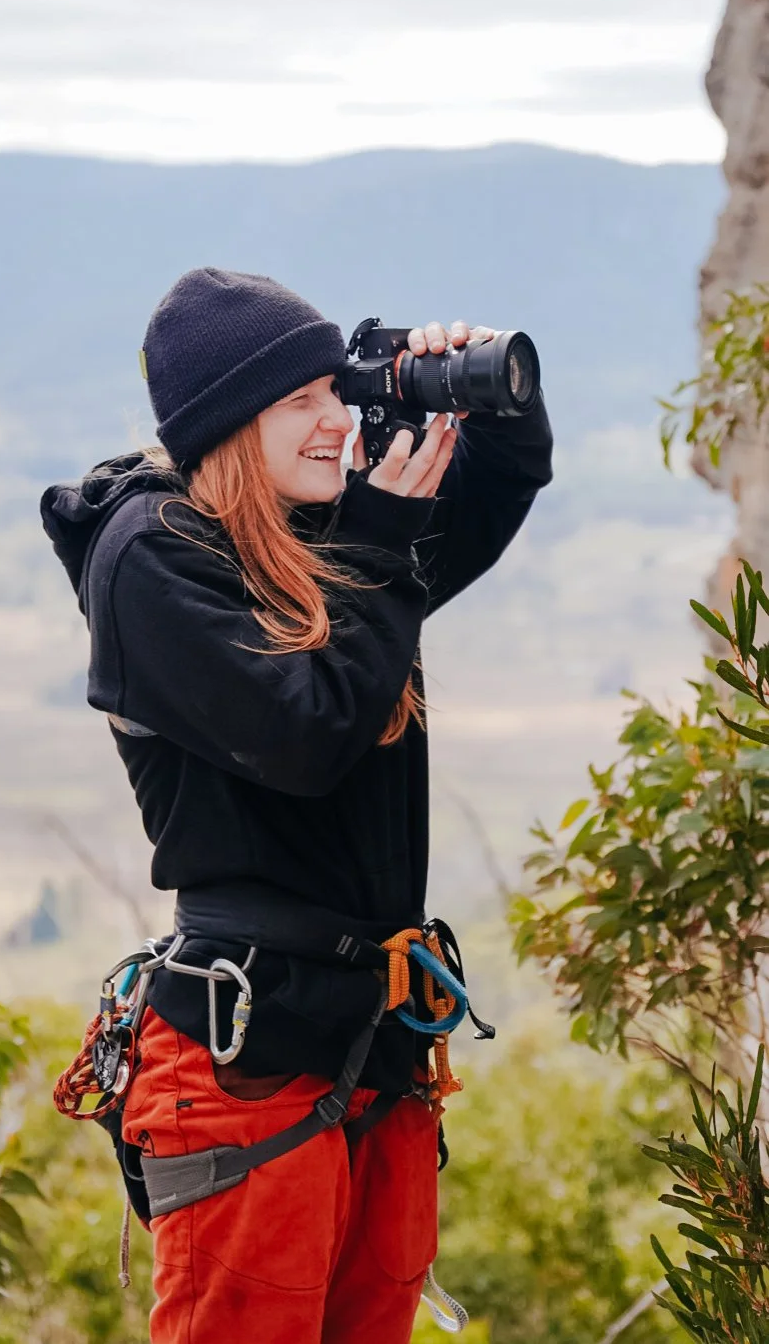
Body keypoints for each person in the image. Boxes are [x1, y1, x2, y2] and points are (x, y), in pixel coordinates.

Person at [41, 267, 553, 1344]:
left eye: (337, 390)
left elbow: (493, 500)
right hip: (245, 1062)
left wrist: (483, 406)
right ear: (230, 422)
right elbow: (304, 737)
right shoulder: (152, 561)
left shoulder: (311, 531)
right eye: (302, 403)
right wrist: (378, 533)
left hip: (373, 1042)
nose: (338, 422)